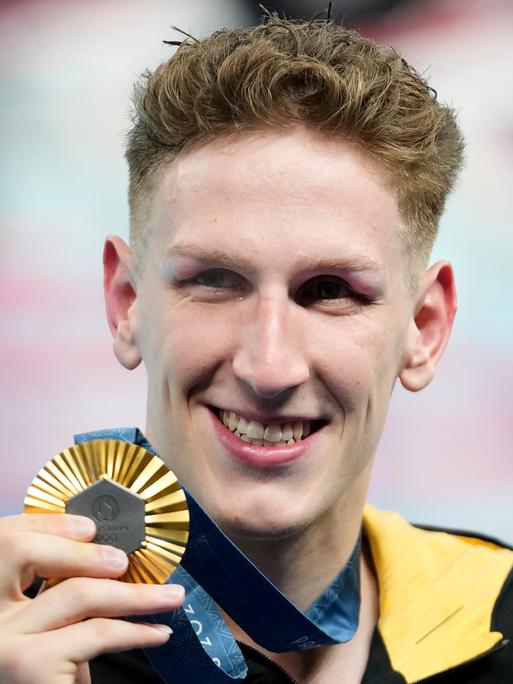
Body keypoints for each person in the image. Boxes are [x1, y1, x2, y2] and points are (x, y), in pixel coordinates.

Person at [1, 13, 512, 684]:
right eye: (214, 281)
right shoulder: (21, 628)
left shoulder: (496, 617)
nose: (268, 367)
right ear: (127, 304)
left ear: (423, 328)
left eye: (329, 290)